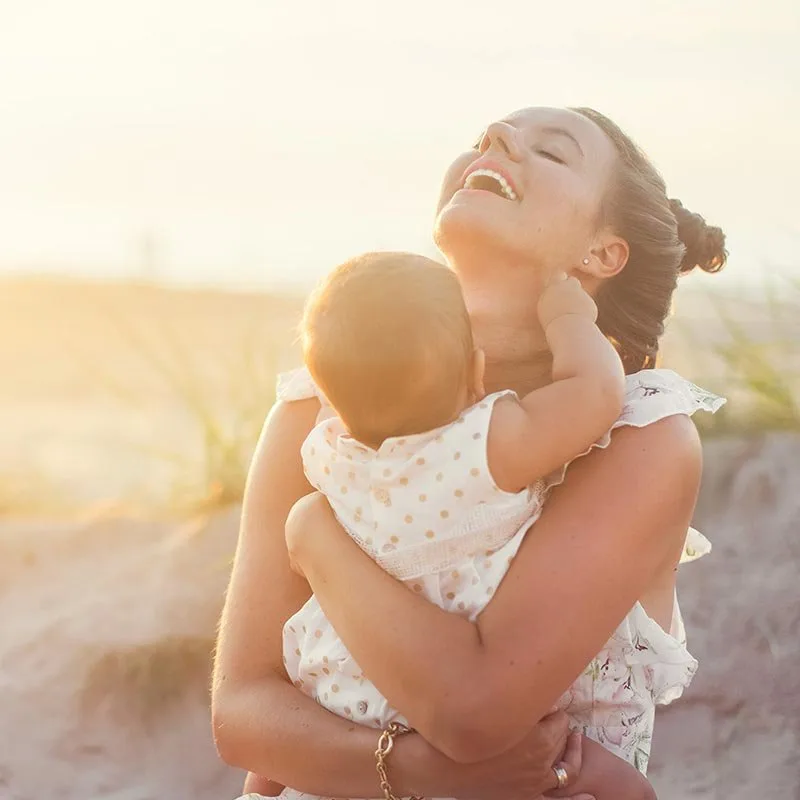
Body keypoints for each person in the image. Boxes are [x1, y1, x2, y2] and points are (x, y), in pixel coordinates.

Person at [212, 107, 727, 800]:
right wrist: (409, 768)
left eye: (551, 152)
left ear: (602, 253)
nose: (496, 141)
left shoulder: (641, 441)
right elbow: (242, 716)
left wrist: (315, 536)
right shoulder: (318, 413)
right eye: (485, 137)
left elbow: (472, 709)